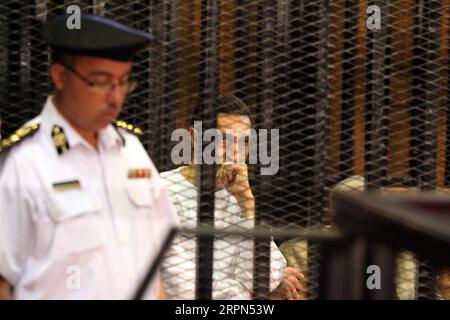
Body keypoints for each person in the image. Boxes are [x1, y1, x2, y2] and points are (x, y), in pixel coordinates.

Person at [0, 14, 178, 299]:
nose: (115, 98)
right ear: (60, 76)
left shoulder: (131, 150)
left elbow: (153, 264)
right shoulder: (25, 161)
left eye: (123, 83)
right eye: (100, 81)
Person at [161, 94, 304, 299]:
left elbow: (269, 274)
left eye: (244, 142)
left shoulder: (240, 194)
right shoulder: (161, 192)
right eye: (225, 139)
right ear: (194, 137)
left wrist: (247, 202)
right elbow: (181, 291)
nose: (235, 153)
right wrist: (254, 290)